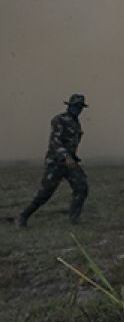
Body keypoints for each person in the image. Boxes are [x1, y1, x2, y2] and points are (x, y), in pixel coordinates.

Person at [16, 93, 90, 228]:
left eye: (80, 107)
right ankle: (23, 217)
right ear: (69, 106)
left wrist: (71, 158)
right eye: (75, 106)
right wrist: (65, 156)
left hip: (70, 163)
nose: (78, 109)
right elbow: (55, 142)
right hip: (56, 162)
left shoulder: (76, 123)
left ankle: (74, 218)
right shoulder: (59, 120)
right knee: (44, 194)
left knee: (82, 187)